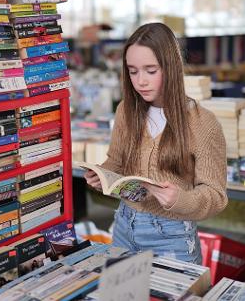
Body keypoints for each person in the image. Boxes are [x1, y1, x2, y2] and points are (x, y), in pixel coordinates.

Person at [84, 22, 228, 264]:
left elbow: (216, 195)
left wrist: (179, 199)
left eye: (151, 71)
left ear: (171, 68)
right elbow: (116, 161)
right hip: (123, 225)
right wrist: (103, 176)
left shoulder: (203, 122)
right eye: (132, 71)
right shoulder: (125, 111)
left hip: (171, 235)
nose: (140, 81)